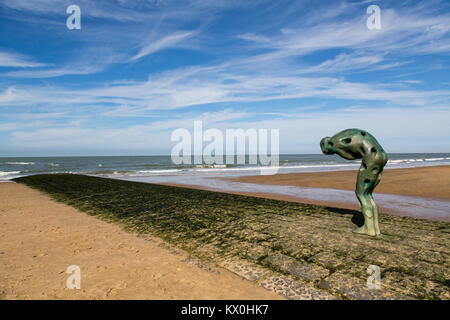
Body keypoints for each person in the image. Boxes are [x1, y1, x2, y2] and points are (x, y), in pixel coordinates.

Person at [320, 129, 388, 236]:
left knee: (361, 193)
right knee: (368, 194)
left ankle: (369, 228)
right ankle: (375, 229)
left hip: (371, 157)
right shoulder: (340, 135)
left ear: (327, 145)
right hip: (382, 156)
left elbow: (350, 156)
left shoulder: (335, 143)